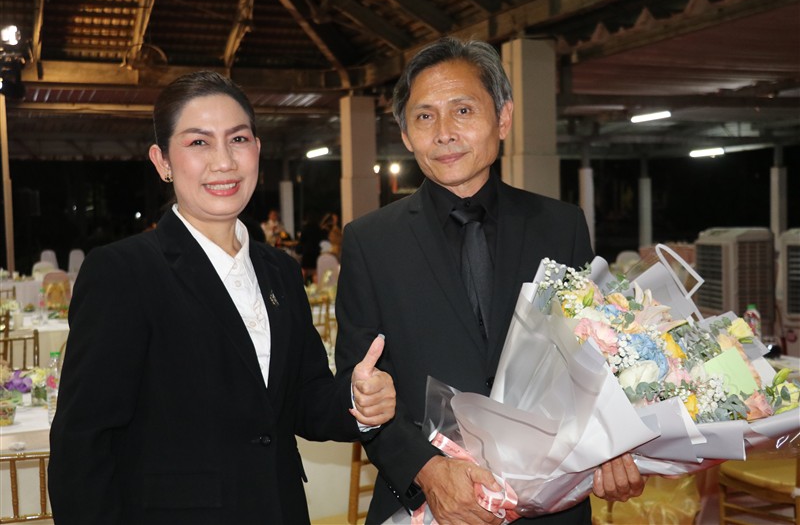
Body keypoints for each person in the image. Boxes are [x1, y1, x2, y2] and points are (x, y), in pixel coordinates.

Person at [48, 71, 396, 525]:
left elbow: (303, 399)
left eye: (238, 139)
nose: (224, 161)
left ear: (257, 150)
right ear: (162, 161)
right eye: (199, 142)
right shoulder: (123, 272)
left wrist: (358, 401)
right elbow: (82, 443)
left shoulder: (280, 270)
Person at [334, 37, 644, 525]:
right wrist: (428, 471)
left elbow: (595, 359)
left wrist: (617, 440)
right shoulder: (369, 241)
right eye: (424, 116)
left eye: (463, 110)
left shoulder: (560, 226)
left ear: (503, 118)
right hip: (426, 507)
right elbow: (359, 387)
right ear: (406, 134)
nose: (444, 133)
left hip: (551, 507)